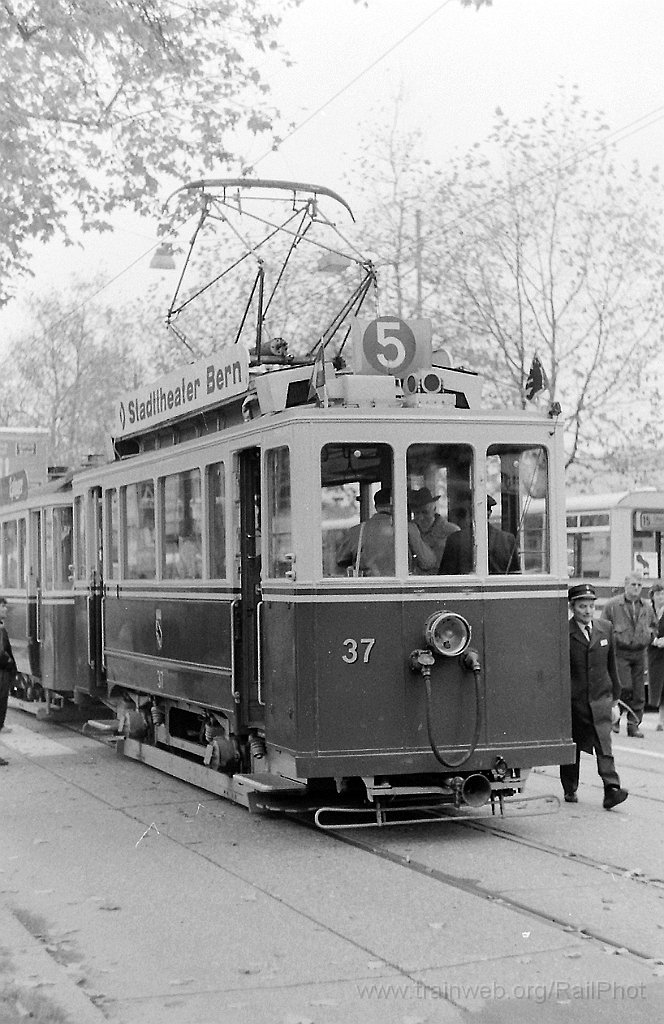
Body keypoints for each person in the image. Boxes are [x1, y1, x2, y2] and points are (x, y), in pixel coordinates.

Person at [561, 583, 628, 810]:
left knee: (604, 744)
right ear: (572, 608)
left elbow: (612, 665)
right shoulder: (564, 632)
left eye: (591, 606)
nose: (588, 611)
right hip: (575, 702)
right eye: (582, 606)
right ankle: (570, 787)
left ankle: (612, 789)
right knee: (574, 746)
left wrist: (615, 699)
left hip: (601, 699)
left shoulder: (605, 628)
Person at [603, 571, 658, 738]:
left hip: (640, 653)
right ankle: (615, 718)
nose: (636, 588)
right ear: (626, 585)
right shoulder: (613, 605)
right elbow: (603, 626)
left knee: (639, 692)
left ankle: (634, 725)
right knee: (623, 687)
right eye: (633, 584)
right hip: (619, 652)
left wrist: (649, 636)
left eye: (639, 585)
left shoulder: (646, 607)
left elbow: (654, 625)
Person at [336, 487, 437, 577]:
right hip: (398, 588)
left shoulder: (357, 531)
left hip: (368, 587)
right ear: (396, 504)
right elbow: (428, 562)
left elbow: (340, 560)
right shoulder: (407, 528)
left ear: (376, 507)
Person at [439, 495, 519, 575]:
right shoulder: (507, 540)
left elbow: (446, 575)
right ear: (489, 513)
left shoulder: (455, 539)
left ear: (471, 512)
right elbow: (515, 575)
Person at [408, 487, 459, 574]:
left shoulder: (452, 531)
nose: (420, 517)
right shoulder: (409, 531)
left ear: (434, 510)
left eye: (425, 512)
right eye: (416, 513)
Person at [647, 580, 664, 731]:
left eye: (663, 594)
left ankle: (661, 720)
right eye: (658, 594)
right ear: (652, 596)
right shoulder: (648, 611)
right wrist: (653, 640)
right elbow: (644, 628)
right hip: (654, 653)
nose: (661, 597)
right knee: (658, 685)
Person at [0, 598, 16, 734]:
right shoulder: (0, 629)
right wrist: (9, 662)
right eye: (2, 606)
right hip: (2, 670)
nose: (6, 609)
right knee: (2, 696)